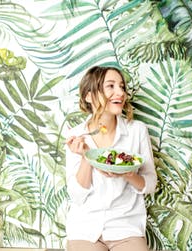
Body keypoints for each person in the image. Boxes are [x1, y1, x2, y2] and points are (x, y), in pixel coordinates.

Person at [65, 66, 157, 251]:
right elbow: (76, 195)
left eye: (122, 87)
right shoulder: (76, 135)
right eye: (111, 86)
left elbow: (151, 183)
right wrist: (86, 157)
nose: (120, 93)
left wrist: (128, 174)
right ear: (89, 96)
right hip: (85, 228)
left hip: (125, 227)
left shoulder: (137, 130)